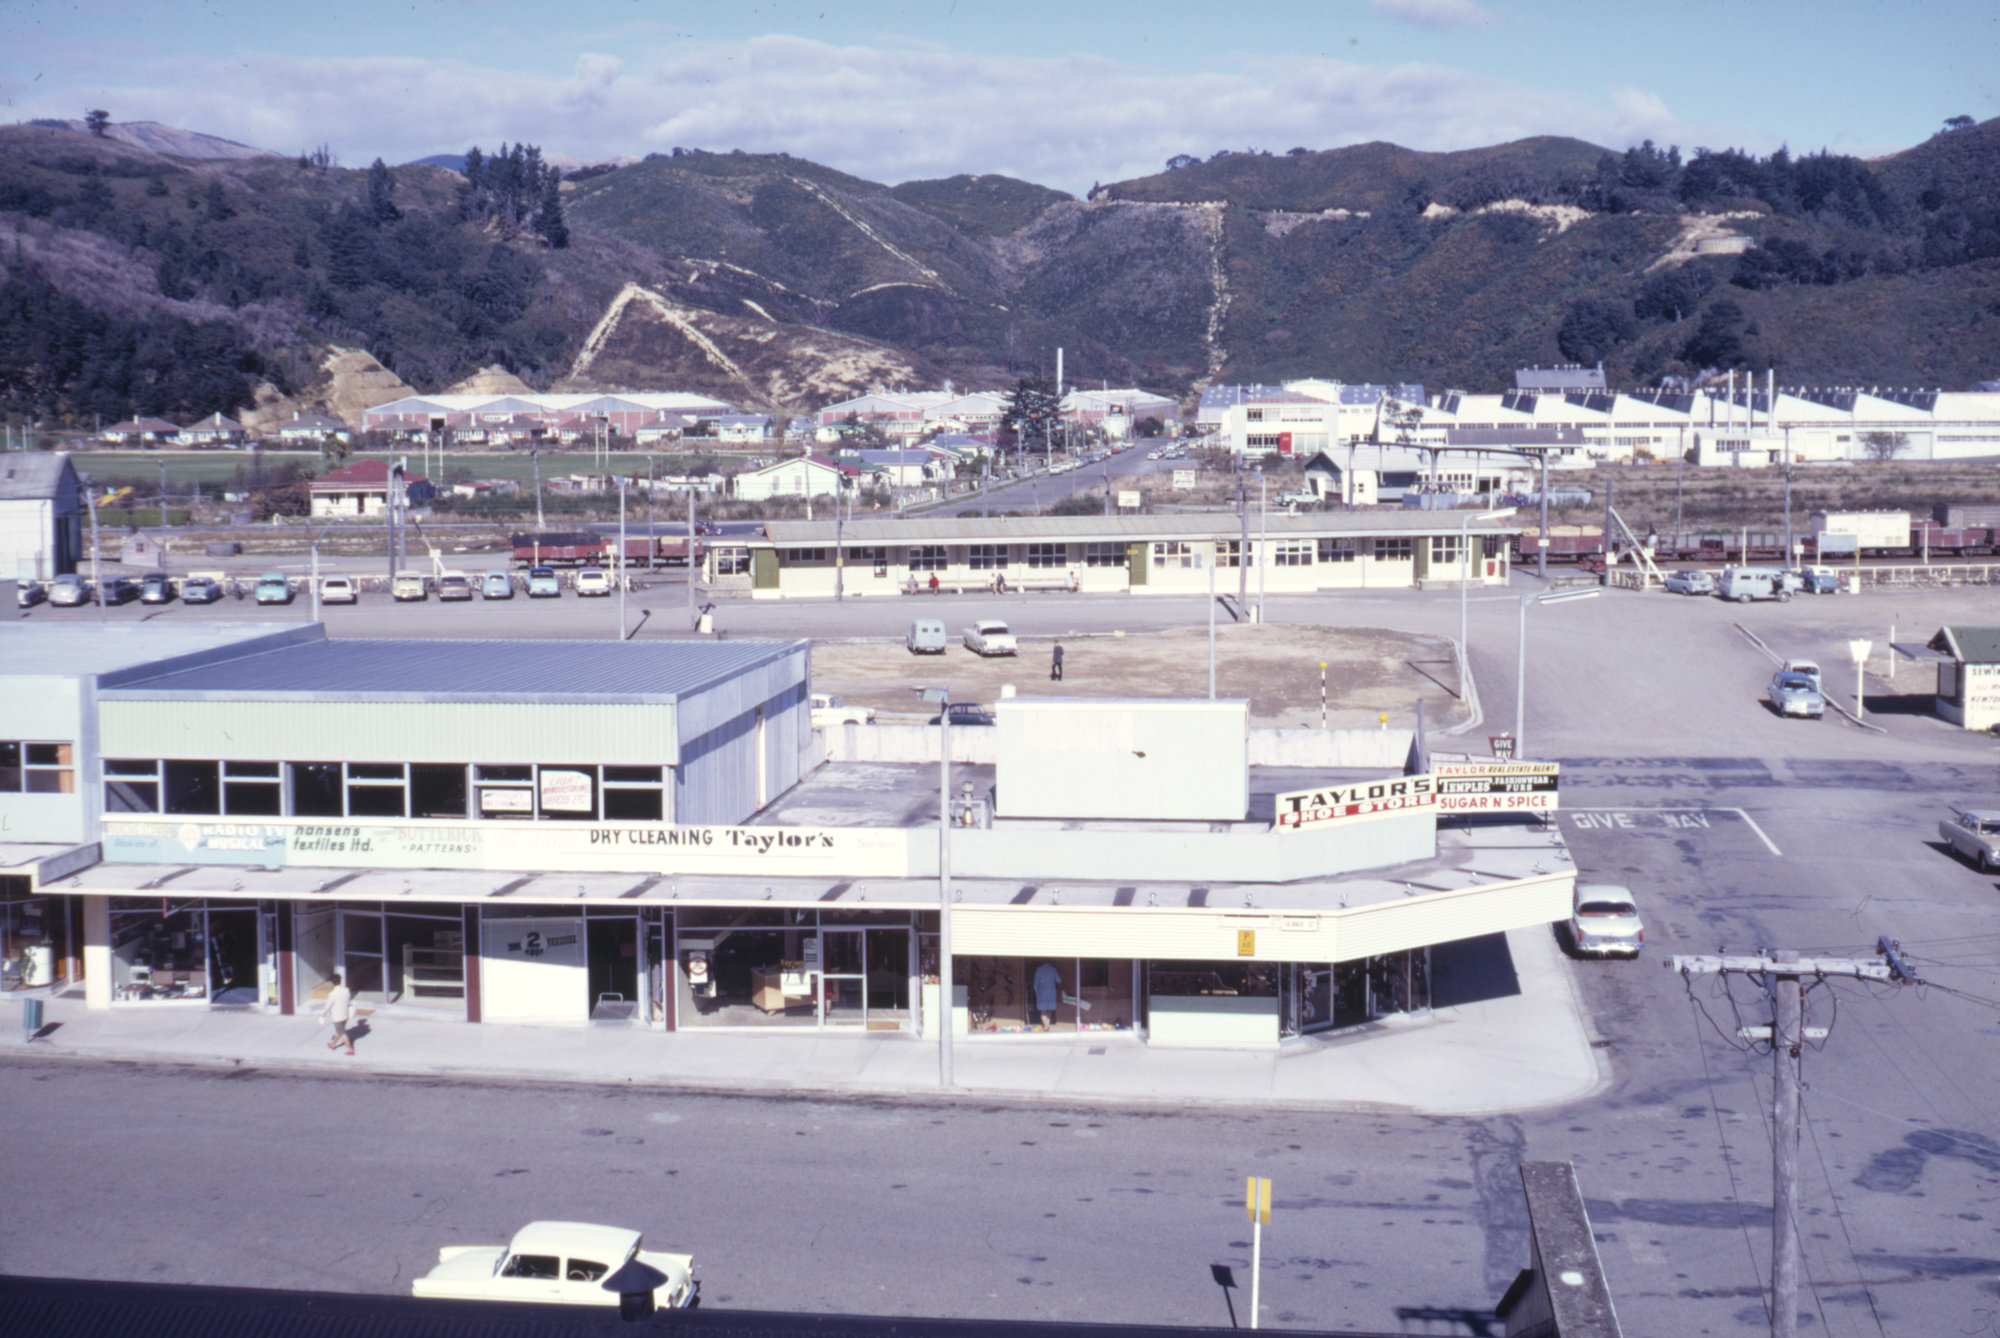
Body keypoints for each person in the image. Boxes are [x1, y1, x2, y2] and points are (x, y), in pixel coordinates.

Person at [323, 972, 355, 1055]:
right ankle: (333, 1044)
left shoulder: (333, 994)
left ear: (332, 983)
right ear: (340, 981)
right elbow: (348, 1001)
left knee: (342, 1032)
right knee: (340, 1030)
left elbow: (328, 1005)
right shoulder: (346, 990)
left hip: (337, 1016)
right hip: (345, 1014)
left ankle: (350, 1049)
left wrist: (323, 1013)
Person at [1032, 960, 1061, 1029]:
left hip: (1041, 993)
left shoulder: (1038, 969)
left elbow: (1035, 985)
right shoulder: (1053, 969)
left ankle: (1046, 1026)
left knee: (1043, 1011)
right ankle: (1047, 1025)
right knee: (1049, 1010)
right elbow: (1059, 980)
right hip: (1051, 993)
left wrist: (1037, 993)